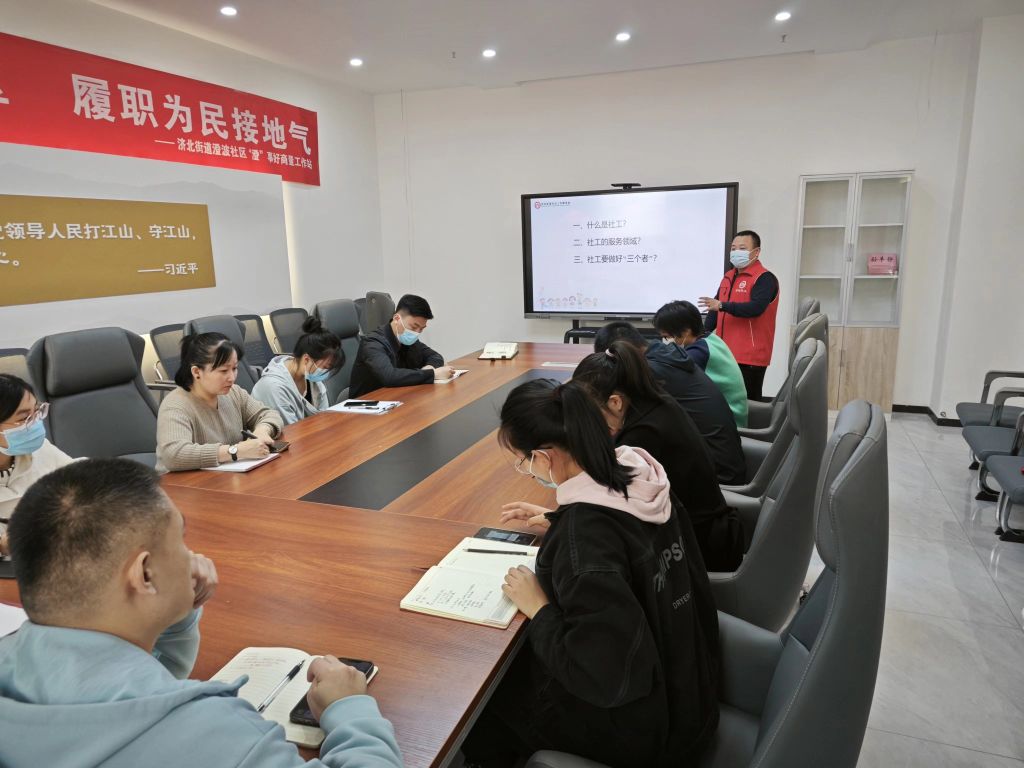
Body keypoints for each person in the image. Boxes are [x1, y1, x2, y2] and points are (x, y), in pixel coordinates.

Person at [0, 458, 404, 768]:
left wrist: (172, 612)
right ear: (144, 573)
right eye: (181, 541)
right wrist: (349, 710)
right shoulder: (221, 738)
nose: (192, 557)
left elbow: (126, 693)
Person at [462, 379, 719, 768]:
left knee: (484, 699)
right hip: (690, 687)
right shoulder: (640, 475)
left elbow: (602, 677)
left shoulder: (584, 540)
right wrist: (560, 519)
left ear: (545, 456)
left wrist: (539, 608)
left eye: (524, 462)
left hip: (651, 733)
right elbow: (628, 546)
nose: (526, 472)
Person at [569, 342, 744, 571]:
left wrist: (561, 519)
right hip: (712, 533)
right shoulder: (656, 403)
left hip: (696, 551)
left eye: (592, 414)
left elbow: (613, 506)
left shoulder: (642, 436)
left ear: (615, 402)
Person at [594, 322, 746, 485]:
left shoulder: (650, 373)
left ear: (619, 353)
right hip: (724, 461)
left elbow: (630, 429)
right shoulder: (666, 355)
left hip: (716, 475)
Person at [156, 333, 284, 472]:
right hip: (184, 482)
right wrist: (235, 451)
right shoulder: (175, 405)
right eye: (223, 370)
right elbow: (173, 455)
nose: (231, 378)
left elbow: (269, 414)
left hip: (227, 476)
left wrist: (262, 430)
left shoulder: (233, 392)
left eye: (234, 368)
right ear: (197, 372)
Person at [0, 374, 74, 559]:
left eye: (37, 411)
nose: (35, 423)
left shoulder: (38, 449)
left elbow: (76, 474)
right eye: (25, 417)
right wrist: (2, 546)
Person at [699, 230, 779, 400]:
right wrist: (702, 334)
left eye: (742, 248)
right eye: (733, 248)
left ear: (756, 252)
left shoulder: (764, 278)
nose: (736, 252)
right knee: (727, 399)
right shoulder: (728, 277)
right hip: (726, 352)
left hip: (750, 356)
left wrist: (722, 305)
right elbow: (715, 309)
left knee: (748, 401)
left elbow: (756, 308)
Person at [653, 300, 748, 428]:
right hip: (732, 414)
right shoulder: (710, 339)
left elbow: (671, 383)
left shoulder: (698, 353)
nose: (666, 341)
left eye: (667, 337)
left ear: (686, 331)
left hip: (727, 423)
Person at [348, 294, 453, 398]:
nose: (417, 333)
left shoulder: (408, 340)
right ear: (397, 318)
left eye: (421, 329)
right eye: (414, 327)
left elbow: (436, 356)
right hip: (367, 403)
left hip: (397, 397)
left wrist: (429, 367)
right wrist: (432, 374)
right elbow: (390, 376)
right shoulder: (372, 343)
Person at [251, 316, 343, 424]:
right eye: (325, 367)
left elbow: (324, 417)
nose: (326, 373)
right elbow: (289, 430)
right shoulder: (274, 388)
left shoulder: (311, 378)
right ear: (306, 360)